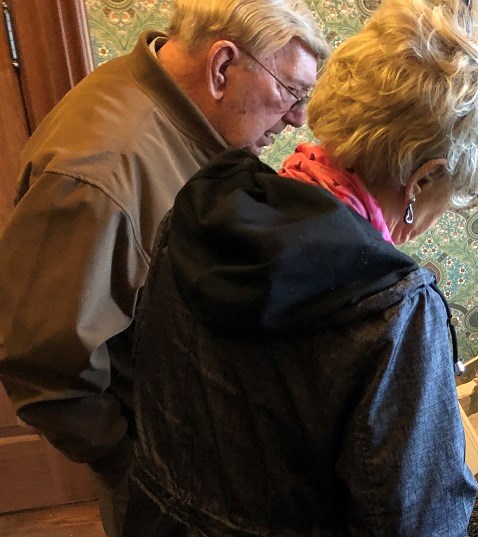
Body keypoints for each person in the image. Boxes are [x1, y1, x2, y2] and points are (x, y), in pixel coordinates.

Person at [124, 0, 478, 534]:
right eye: (462, 195)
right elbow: (419, 520)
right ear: (423, 180)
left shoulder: (206, 199)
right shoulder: (392, 307)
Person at [0, 1, 327, 535]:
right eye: (290, 92)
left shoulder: (171, 102)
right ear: (222, 67)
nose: (297, 118)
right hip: (165, 480)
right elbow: (44, 372)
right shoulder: (101, 175)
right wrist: (136, 466)